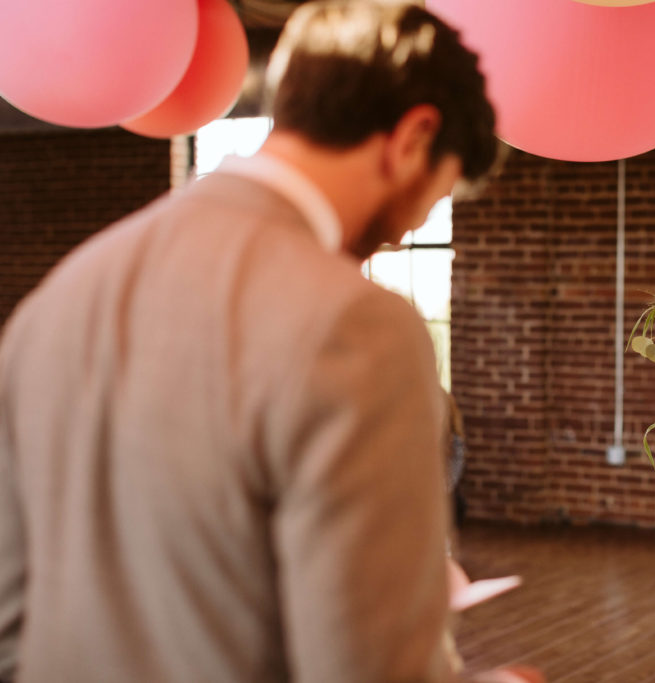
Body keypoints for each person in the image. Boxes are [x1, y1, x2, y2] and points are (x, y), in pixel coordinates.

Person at [0, 2, 497, 681]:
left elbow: (10, 619)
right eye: (435, 196)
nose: (409, 229)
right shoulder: (358, 326)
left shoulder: (59, 297)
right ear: (414, 137)